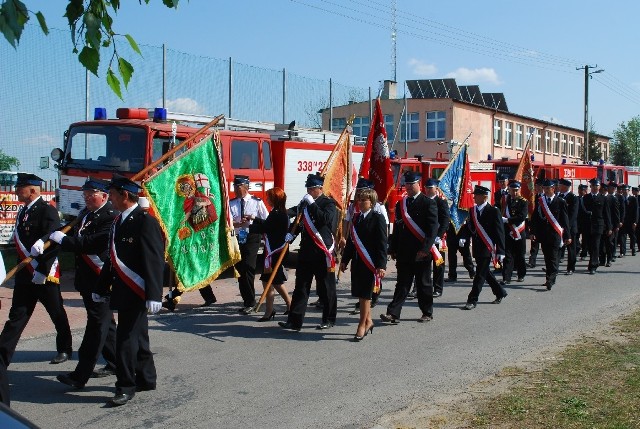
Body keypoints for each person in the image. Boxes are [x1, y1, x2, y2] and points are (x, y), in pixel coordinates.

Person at [0, 173, 73, 405]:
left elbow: (52, 242)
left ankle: (65, 347)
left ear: (31, 190)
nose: (16, 191)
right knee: (17, 315)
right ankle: (3, 354)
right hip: (25, 276)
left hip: (44, 274)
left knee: (56, 312)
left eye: (19, 188)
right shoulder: (23, 211)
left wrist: (42, 269)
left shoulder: (47, 210)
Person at [94, 175, 164, 407]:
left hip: (138, 290)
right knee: (139, 337)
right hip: (123, 289)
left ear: (125, 195)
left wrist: (154, 294)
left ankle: (125, 386)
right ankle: (146, 378)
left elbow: (153, 260)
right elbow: (112, 260)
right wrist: (101, 286)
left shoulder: (145, 221)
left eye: (112, 194)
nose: (110, 199)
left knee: (125, 340)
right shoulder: (118, 221)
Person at [50, 178, 119, 389]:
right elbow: (74, 231)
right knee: (106, 325)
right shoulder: (86, 213)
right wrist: (52, 236)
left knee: (96, 326)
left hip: (102, 279)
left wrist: (65, 242)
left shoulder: (111, 216)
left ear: (104, 196)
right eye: (85, 195)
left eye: (91, 195)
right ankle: (118, 363)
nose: (87, 198)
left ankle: (80, 375)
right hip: (87, 279)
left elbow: (91, 243)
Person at [279, 173, 338, 331]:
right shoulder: (304, 204)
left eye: (312, 188)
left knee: (326, 288)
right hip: (306, 252)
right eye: (308, 188)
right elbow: (298, 219)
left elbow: (324, 220)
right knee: (301, 288)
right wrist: (291, 233)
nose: (309, 191)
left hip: (322, 251)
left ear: (320, 188)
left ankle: (329, 319)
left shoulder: (329, 204)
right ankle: (294, 321)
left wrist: (312, 204)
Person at [380, 171, 438, 323]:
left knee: (423, 283)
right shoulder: (401, 204)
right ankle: (393, 313)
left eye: (412, 184)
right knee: (402, 283)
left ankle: (427, 312)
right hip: (404, 251)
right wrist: (393, 248)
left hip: (421, 251)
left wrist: (425, 250)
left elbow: (432, 229)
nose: (409, 187)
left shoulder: (428, 203)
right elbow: (398, 228)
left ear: (419, 184)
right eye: (406, 184)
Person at [340, 188, 387, 340]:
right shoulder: (357, 218)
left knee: (365, 295)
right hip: (358, 262)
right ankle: (368, 321)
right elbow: (352, 243)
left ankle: (361, 325)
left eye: (363, 200)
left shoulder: (377, 218)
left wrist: (381, 265)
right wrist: (345, 260)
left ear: (371, 202)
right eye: (359, 200)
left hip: (370, 263)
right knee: (361, 294)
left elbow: (381, 243)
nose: (360, 203)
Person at [459, 185, 507, 310]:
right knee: (485, 272)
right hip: (477, 247)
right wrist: (464, 236)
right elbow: (469, 227)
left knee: (479, 275)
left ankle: (472, 300)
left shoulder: (493, 211)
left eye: (477, 195)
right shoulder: (472, 211)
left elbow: (499, 232)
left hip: (488, 247)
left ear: (484, 197)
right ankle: (500, 292)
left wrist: (501, 250)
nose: (474, 197)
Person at [249, 187, 292, 321]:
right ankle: (275, 309)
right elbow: (267, 224)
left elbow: (266, 227)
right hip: (273, 252)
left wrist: (247, 226)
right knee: (270, 281)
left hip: (276, 252)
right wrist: (255, 218)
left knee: (274, 282)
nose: (267, 199)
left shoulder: (278, 214)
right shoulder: (278, 213)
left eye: (269, 197)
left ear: (275, 199)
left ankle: (279, 308)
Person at [229, 175, 268, 314]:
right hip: (237, 237)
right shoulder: (231, 203)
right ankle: (247, 301)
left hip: (252, 237)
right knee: (240, 270)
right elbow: (226, 222)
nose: (235, 189)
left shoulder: (256, 202)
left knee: (249, 267)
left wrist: (252, 221)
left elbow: (266, 221)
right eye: (234, 186)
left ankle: (251, 301)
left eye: (237, 187)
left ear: (245, 187)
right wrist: (236, 223)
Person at [530, 179, 571, 290]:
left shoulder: (560, 202)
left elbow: (565, 220)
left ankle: (551, 280)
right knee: (547, 258)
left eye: (548, 188)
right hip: (543, 235)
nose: (546, 190)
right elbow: (535, 218)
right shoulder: (540, 201)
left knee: (553, 257)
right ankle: (549, 277)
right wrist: (533, 232)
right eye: (545, 188)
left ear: (553, 189)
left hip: (555, 235)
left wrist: (567, 236)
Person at [423, 178, 449, 298]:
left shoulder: (441, 202)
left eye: (430, 188)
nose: (428, 190)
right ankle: (420, 288)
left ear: (436, 189)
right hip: (425, 237)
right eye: (426, 188)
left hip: (438, 238)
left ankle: (438, 288)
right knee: (422, 264)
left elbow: (445, 220)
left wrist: (439, 235)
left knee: (438, 264)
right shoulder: (422, 201)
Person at [500, 180, 528, 284]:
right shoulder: (506, 200)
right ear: (509, 190)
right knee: (508, 256)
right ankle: (506, 277)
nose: (515, 192)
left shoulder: (523, 201)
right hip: (508, 232)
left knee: (520, 255)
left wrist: (508, 220)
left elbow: (522, 216)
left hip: (519, 232)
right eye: (513, 190)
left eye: (517, 190)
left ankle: (521, 275)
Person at [583, 178, 611, 275]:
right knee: (589, 246)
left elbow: (607, 214)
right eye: (593, 186)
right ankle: (594, 260)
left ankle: (593, 266)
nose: (595, 187)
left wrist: (609, 227)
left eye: (597, 186)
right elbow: (581, 213)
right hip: (587, 225)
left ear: (599, 187)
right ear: (590, 187)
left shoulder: (603, 198)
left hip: (598, 225)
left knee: (595, 245)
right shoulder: (585, 198)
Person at [557, 179, 579, 275]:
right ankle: (554, 267)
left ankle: (571, 268)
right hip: (559, 227)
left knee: (571, 249)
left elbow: (573, 215)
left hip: (570, 228)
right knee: (558, 248)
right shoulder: (559, 196)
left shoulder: (573, 198)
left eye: (560, 185)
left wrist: (566, 227)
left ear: (565, 187)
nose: (558, 187)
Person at [527, 178, 545, 268]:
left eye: (537, 186)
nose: (536, 188)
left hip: (545, 225)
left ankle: (548, 263)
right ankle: (532, 261)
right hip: (536, 224)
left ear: (542, 186)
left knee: (546, 247)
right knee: (534, 244)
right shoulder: (534, 197)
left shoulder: (546, 197)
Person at [619, 184, 638, 257]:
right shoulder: (620, 198)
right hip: (623, 222)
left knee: (632, 236)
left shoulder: (633, 199)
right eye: (623, 190)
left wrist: (635, 222)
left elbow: (636, 211)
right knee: (622, 237)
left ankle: (633, 249)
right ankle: (622, 252)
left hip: (631, 221)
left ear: (628, 191)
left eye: (626, 190)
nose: (624, 192)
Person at [576, 184, 590, 261]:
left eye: (582, 190)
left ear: (585, 191)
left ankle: (584, 253)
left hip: (586, 221)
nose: (580, 192)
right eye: (579, 190)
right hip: (577, 221)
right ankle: (578, 248)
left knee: (585, 239)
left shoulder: (587, 198)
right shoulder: (576, 198)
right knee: (575, 237)